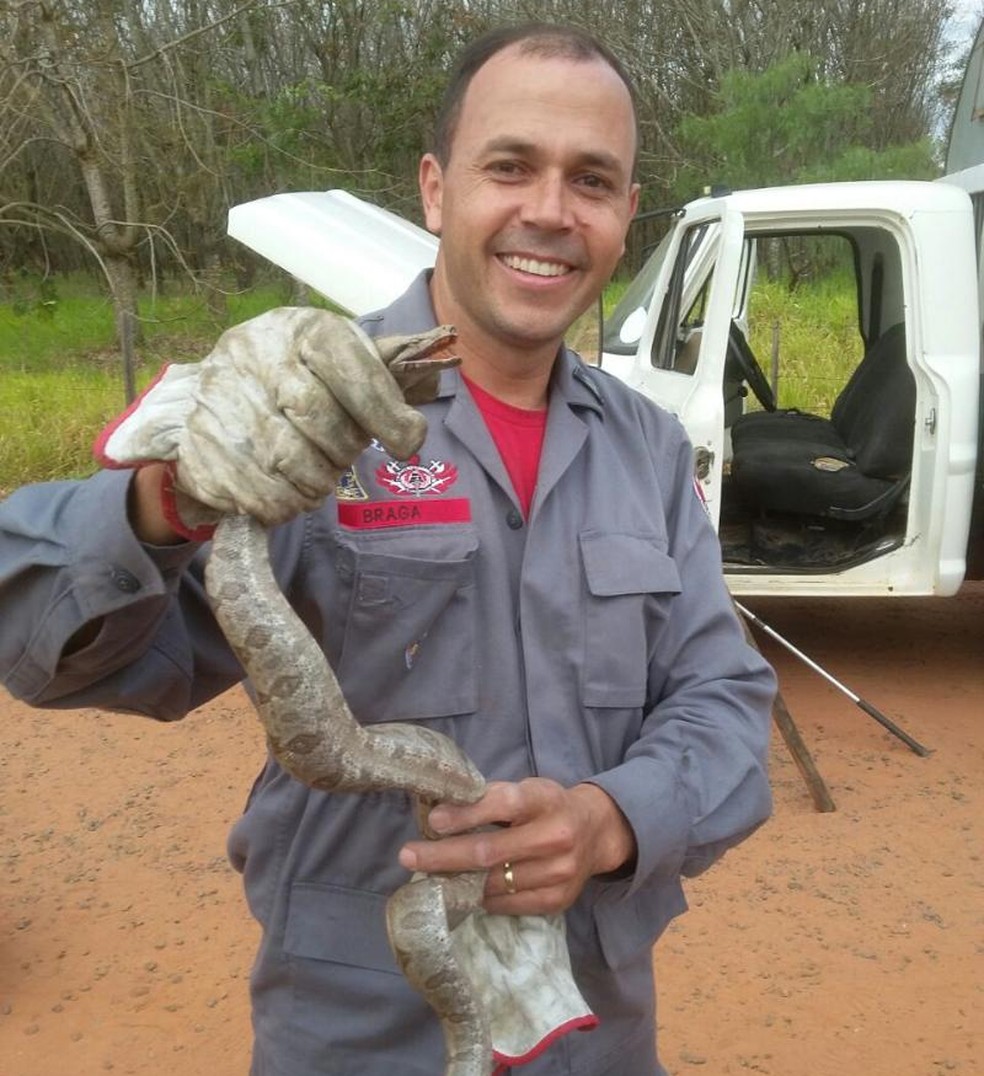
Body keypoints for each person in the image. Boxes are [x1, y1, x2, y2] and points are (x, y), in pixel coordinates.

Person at [0, 21, 775, 1076]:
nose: (550, 209)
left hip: (596, 1027)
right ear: (436, 189)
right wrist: (172, 497)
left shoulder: (645, 447)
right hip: (358, 1032)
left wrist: (609, 821)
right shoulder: (301, 410)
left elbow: (724, 695)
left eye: (591, 180)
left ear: (626, 215)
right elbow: (46, 651)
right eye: (511, 166)